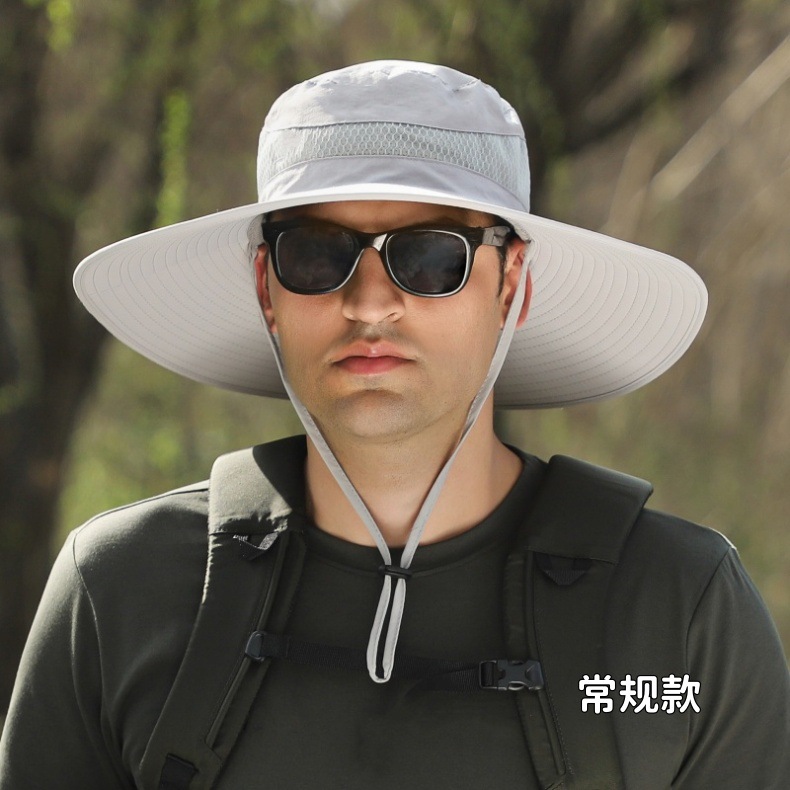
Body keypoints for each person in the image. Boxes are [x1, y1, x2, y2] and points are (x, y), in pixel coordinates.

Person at [1, 61, 788, 789]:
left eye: (430, 257)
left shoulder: (680, 608)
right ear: (267, 289)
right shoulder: (121, 589)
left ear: (511, 284)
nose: (371, 302)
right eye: (317, 254)